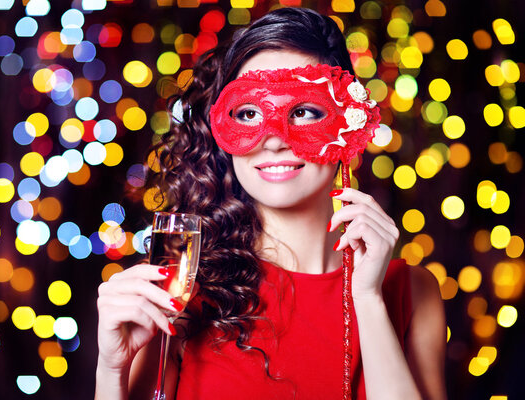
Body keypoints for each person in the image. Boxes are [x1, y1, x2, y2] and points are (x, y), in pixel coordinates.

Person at [95, 7, 447, 400]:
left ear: (349, 124)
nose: (274, 139)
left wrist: (368, 299)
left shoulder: (413, 290)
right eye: (248, 113)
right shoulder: (181, 286)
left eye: (304, 111)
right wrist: (112, 369)